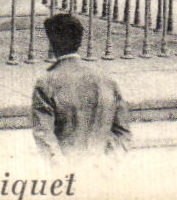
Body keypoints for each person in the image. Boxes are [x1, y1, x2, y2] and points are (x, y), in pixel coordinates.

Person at [31, 13, 133, 166]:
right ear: (79, 41)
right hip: (102, 173)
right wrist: (108, 165)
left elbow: (44, 138)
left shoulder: (46, 83)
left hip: (67, 177)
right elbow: (123, 132)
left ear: (52, 44)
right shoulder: (106, 79)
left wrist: (65, 173)